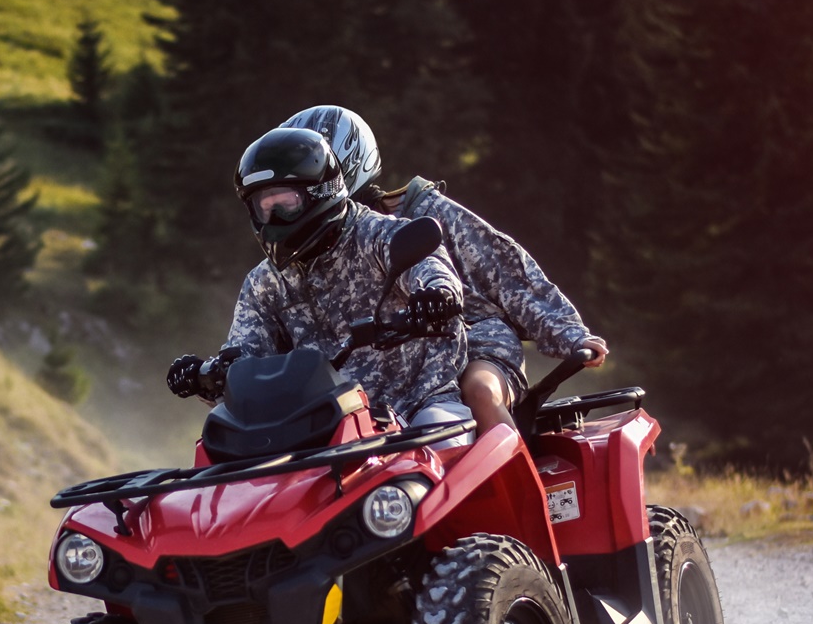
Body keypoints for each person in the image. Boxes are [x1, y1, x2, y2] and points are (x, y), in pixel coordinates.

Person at [281, 105, 608, 436]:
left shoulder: (426, 211)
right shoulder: (313, 249)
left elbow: (507, 270)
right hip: (391, 364)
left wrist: (569, 333)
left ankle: (519, 485)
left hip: (473, 339)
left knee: (479, 392)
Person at [166, 126, 468, 427]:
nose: (275, 219)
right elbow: (245, 360)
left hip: (420, 406)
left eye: (285, 203)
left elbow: (432, 268)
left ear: (322, 191)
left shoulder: (378, 234)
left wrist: (437, 295)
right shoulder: (264, 282)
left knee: (431, 461)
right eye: (265, 208)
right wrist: (209, 377)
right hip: (325, 424)